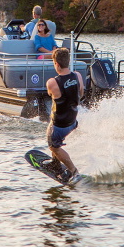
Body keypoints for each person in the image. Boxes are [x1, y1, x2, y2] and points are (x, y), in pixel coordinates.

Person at [45, 47, 83, 182]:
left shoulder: (52, 82)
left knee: (53, 146)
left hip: (60, 125)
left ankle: (74, 171)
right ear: (68, 61)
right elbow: (81, 93)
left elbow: (50, 94)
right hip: (73, 121)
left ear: (56, 64)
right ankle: (55, 163)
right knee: (51, 131)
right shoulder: (78, 76)